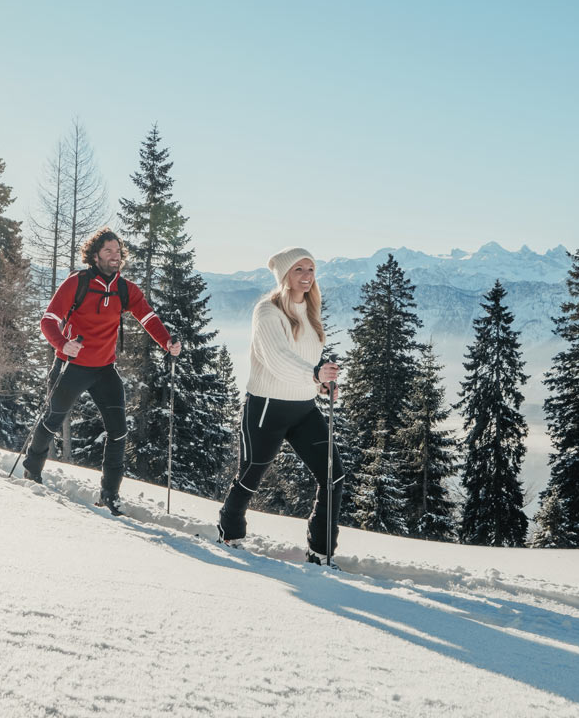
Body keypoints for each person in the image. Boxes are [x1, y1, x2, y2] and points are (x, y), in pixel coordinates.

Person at [21, 227, 181, 514]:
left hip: (105, 370)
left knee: (118, 432)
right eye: (108, 251)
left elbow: (148, 317)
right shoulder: (77, 282)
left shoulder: (125, 289)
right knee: (51, 421)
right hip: (71, 367)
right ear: (95, 255)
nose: (115, 256)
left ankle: (110, 497)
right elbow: (48, 320)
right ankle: (32, 470)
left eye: (118, 252)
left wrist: (167, 342)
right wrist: (62, 343)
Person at [217, 247, 342, 563]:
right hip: (267, 407)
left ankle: (320, 551)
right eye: (299, 269)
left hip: (304, 409)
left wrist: (322, 381)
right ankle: (229, 532)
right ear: (285, 275)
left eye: (311, 269)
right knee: (251, 476)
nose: (306, 276)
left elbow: (305, 359)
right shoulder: (267, 311)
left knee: (333, 477)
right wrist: (314, 373)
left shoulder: (310, 313)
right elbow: (277, 359)